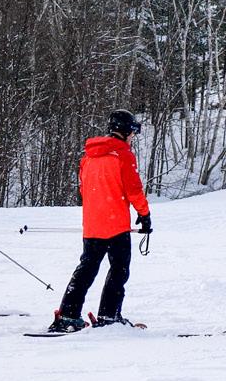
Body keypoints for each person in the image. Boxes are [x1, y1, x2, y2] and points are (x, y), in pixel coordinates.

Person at [49, 110, 153, 332]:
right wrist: (144, 215)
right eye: (132, 132)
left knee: (86, 269)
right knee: (119, 270)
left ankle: (68, 314)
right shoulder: (123, 155)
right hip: (116, 225)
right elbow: (134, 190)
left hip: (93, 224)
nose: (133, 137)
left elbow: (83, 190)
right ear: (125, 131)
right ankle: (109, 315)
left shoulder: (88, 156)